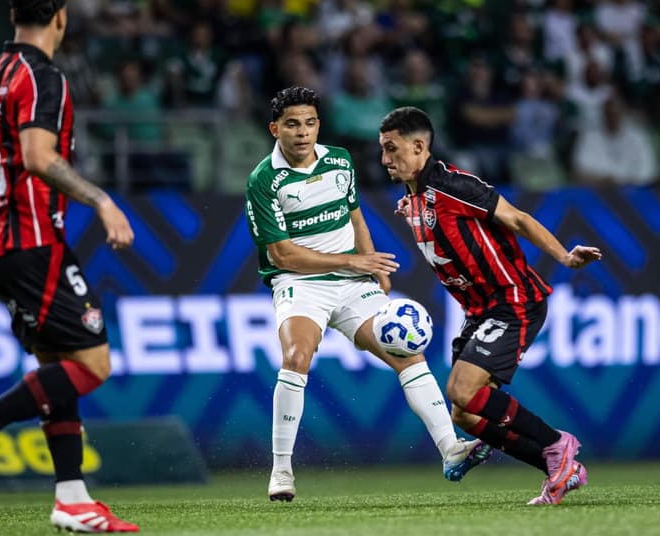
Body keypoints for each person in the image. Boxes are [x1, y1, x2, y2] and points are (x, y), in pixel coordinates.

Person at [244, 87, 490, 502]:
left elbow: (354, 215)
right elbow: (282, 254)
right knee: (296, 357)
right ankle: (281, 470)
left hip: (353, 281)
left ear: (318, 124)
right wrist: (352, 262)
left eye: (310, 122)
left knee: (408, 354)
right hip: (300, 284)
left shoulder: (339, 160)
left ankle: (451, 449)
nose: (303, 132)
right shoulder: (264, 180)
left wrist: (369, 261)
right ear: (274, 129)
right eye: (292, 124)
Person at [0, 0, 138, 532]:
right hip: (36, 244)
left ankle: (72, 497)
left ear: (15, 14)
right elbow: (39, 157)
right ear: (60, 15)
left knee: (56, 369)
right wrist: (101, 200)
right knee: (91, 365)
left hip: (0, 244)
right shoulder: (43, 77)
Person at [378, 106, 602, 506]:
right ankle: (560, 468)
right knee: (465, 414)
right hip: (479, 312)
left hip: (513, 300)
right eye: (383, 150)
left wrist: (565, 258)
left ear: (418, 146)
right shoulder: (411, 200)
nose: (385, 160)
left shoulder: (454, 184)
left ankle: (557, 443)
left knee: (462, 390)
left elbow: (517, 219)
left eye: (392, 149)